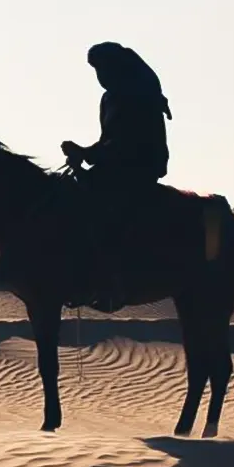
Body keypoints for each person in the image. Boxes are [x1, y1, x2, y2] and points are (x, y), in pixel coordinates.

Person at [61, 41, 172, 309]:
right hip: (115, 166)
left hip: (138, 167)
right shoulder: (112, 96)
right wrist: (85, 152)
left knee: (102, 214)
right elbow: (108, 141)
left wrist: (88, 155)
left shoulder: (137, 94)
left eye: (102, 69)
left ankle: (111, 282)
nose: (99, 76)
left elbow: (127, 142)